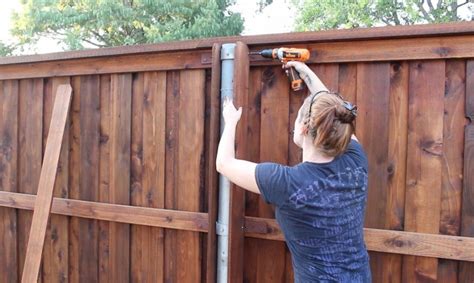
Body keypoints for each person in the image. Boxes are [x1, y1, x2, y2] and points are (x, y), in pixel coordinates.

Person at [216, 61, 371, 282]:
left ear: (304, 127)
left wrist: (230, 122)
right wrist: (306, 74)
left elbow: (224, 163)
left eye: (297, 117)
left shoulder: (286, 183)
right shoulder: (356, 161)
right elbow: (333, 110)